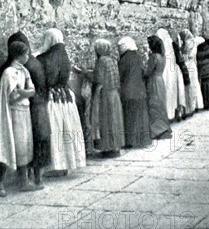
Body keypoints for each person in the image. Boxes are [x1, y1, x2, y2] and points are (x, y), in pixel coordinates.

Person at [36, 28, 86, 173]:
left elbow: (45, 80)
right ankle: (67, 164)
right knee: (67, 129)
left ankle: (56, 166)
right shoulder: (64, 55)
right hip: (65, 97)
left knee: (56, 130)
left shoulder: (44, 58)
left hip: (52, 98)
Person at [0, 41, 41, 196]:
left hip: (24, 111)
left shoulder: (24, 71)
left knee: (24, 146)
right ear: (18, 55)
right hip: (13, 113)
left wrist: (24, 92)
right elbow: (12, 97)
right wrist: (23, 93)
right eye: (26, 54)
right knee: (10, 144)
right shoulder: (9, 72)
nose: (28, 56)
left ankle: (23, 181)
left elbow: (32, 91)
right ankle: (0, 183)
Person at [7, 32, 50, 188]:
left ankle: (26, 179)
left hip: (30, 108)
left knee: (26, 143)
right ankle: (38, 178)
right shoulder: (34, 62)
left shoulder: (21, 66)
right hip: (39, 106)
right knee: (36, 143)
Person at [75, 39, 125, 157]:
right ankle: (115, 147)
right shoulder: (112, 59)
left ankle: (108, 148)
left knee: (105, 121)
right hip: (114, 94)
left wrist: (83, 72)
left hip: (105, 95)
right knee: (114, 121)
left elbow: (98, 78)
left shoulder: (101, 60)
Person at [117, 37, 151, 148]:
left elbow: (120, 75)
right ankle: (142, 139)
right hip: (140, 90)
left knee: (130, 117)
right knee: (141, 116)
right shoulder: (138, 57)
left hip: (128, 91)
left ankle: (130, 141)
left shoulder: (124, 60)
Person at [144, 36, 173, 139]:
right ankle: (163, 128)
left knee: (154, 105)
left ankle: (157, 130)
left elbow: (148, 71)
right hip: (160, 80)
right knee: (161, 105)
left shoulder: (154, 57)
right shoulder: (162, 56)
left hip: (154, 81)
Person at [155, 29, 180, 121]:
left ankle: (166, 115)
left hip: (165, 73)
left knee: (165, 94)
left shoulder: (163, 46)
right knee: (171, 93)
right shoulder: (170, 44)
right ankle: (171, 114)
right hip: (171, 72)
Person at [179, 29, 203, 112]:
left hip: (190, 66)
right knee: (193, 84)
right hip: (190, 66)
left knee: (192, 85)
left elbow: (189, 56)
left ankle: (193, 105)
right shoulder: (189, 43)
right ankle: (194, 105)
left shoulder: (191, 44)